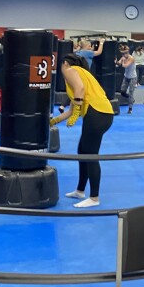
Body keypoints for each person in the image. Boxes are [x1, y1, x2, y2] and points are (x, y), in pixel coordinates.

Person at [51, 53, 114, 208]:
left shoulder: (70, 70)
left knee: (90, 155)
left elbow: (79, 90)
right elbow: (72, 110)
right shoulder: (82, 73)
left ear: (64, 63)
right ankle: (80, 190)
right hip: (104, 113)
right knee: (82, 151)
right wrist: (53, 121)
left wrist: (78, 108)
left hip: (96, 113)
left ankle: (94, 197)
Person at [116, 43, 137, 114]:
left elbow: (125, 66)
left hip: (133, 78)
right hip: (126, 76)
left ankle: (130, 108)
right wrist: (116, 62)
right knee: (122, 91)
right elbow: (118, 64)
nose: (125, 55)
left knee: (131, 92)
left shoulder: (131, 58)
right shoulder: (123, 57)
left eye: (126, 53)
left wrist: (122, 61)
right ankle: (132, 99)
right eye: (124, 54)